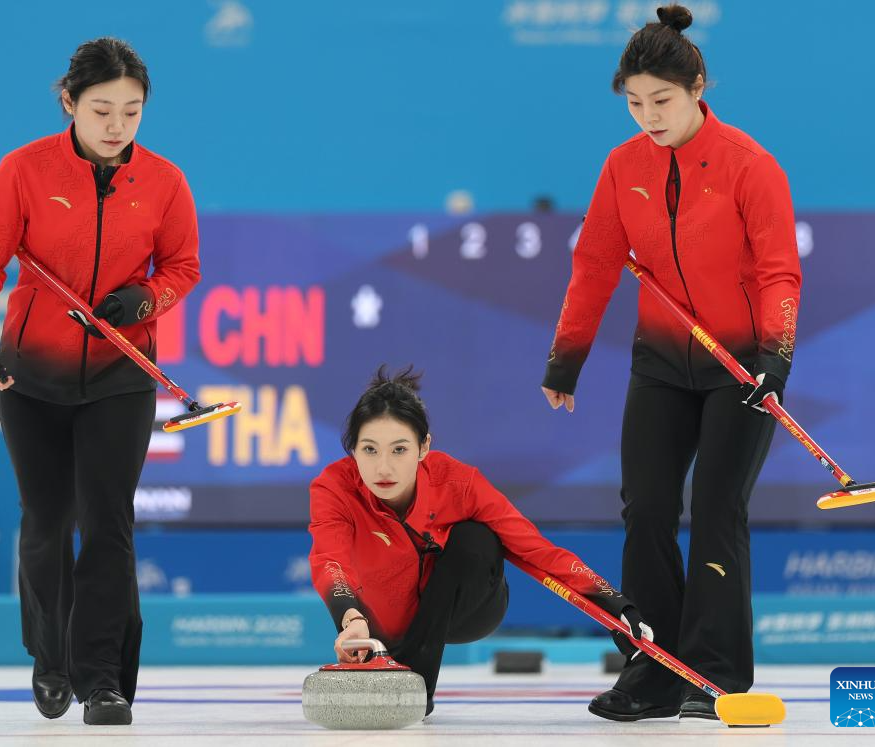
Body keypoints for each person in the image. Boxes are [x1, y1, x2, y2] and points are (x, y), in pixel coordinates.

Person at [540, 4, 801, 721]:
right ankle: (654, 668)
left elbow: (780, 272)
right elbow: (594, 263)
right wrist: (567, 358)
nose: (648, 117)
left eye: (661, 100)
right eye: (634, 104)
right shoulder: (623, 167)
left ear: (697, 88)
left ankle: (715, 673)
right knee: (647, 508)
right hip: (659, 361)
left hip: (742, 368)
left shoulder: (752, 166)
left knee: (718, 509)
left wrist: (776, 358)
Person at [0, 37, 200, 725]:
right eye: (101, 110)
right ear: (69, 103)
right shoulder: (25, 170)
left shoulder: (165, 181)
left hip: (122, 374)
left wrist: (142, 301)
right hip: (33, 375)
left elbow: (182, 266)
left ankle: (103, 677)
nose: (117, 125)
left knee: (108, 523)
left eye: (132, 110)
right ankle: (51, 657)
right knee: (46, 521)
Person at [309, 366, 653, 717]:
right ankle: (396, 663)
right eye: (369, 450)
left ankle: (416, 688)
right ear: (352, 449)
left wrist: (614, 603)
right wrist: (351, 619)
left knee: (475, 537)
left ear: (423, 447)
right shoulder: (333, 488)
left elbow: (534, 549)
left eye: (399, 450)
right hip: (384, 621)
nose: (383, 468)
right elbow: (329, 559)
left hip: (469, 609)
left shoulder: (459, 483)